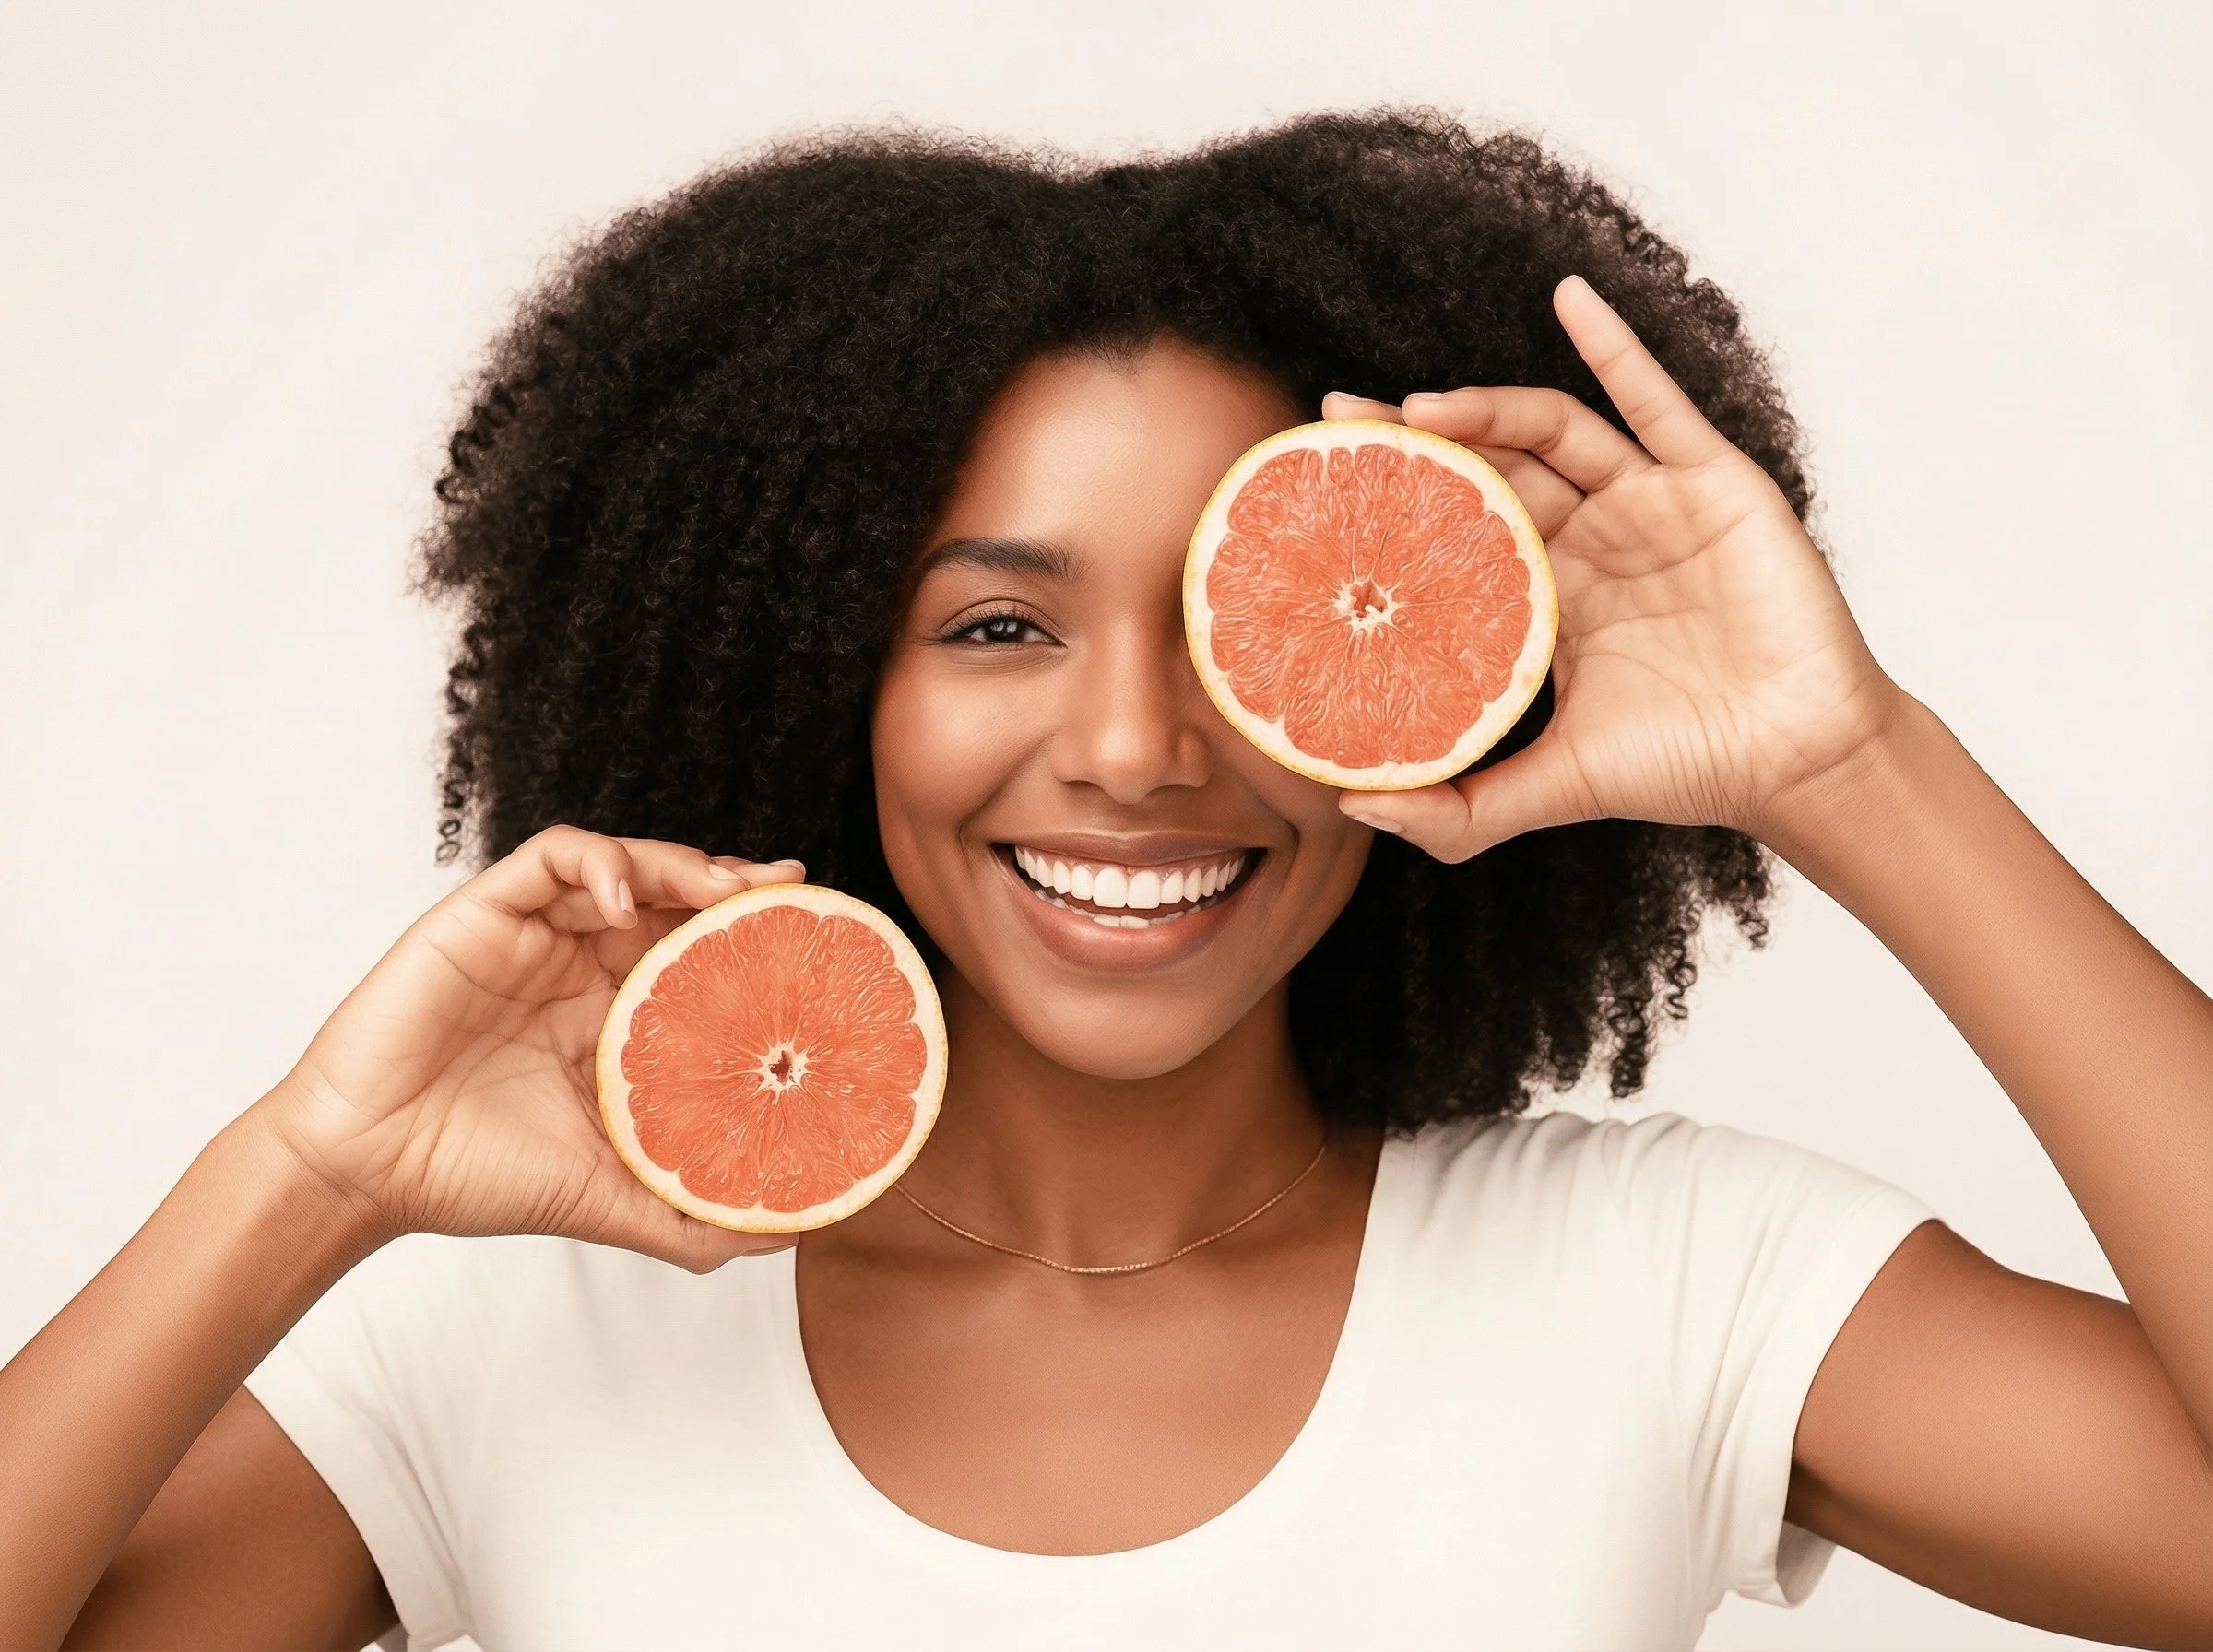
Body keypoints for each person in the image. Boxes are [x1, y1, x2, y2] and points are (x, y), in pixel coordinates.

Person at [3, 112, 2208, 1651]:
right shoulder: (514, 1335)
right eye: (997, 625)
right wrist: (307, 1168)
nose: (1142, 746)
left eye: (1244, 624)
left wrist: (1853, 766)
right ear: (804, 680)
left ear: (1426, 681)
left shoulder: (1668, 1281)